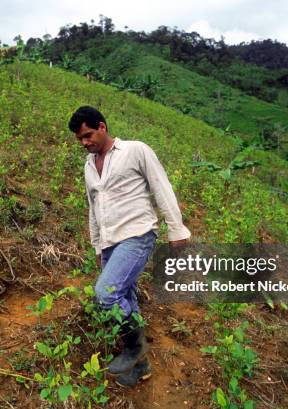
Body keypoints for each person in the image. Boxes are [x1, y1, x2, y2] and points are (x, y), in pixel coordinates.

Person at [68, 106, 191, 387]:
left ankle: (135, 347)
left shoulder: (135, 150)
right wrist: (97, 247)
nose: (85, 143)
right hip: (110, 242)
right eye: (80, 140)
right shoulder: (89, 166)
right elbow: (93, 207)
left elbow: (161, 186)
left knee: (106, 294)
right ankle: (142, 366)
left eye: (87, 135)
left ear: (102, 126)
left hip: (137, 235)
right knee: (126, 297)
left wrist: (176, 228)